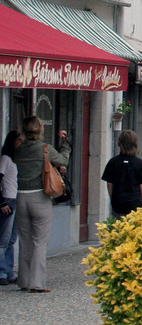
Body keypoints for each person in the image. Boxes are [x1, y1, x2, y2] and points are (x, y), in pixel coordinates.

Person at [12, 116, 69, 293]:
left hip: (21, 196)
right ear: (40, 130)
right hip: (40, 196)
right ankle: (37, 283)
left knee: (25, 240)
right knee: (39, 241)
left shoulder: (19, 150)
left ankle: (24, 280)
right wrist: (65, 144)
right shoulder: (44, 149)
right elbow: (62, 160)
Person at [101, 130, 142, 219]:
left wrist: (113, 197)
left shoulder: (113, 162)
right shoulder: (139, 163)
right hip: (135, 202)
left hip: (118, 202)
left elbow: (109, 183)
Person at [0, 130, 22, 285]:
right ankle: (2, 272)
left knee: (12, 239)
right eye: (18, 141)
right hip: (7, 199)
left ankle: (9, 271)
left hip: (16, 199)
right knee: (4, 239)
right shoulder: (5, 159)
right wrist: (2, 202)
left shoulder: (15, 160)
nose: (21, 144)